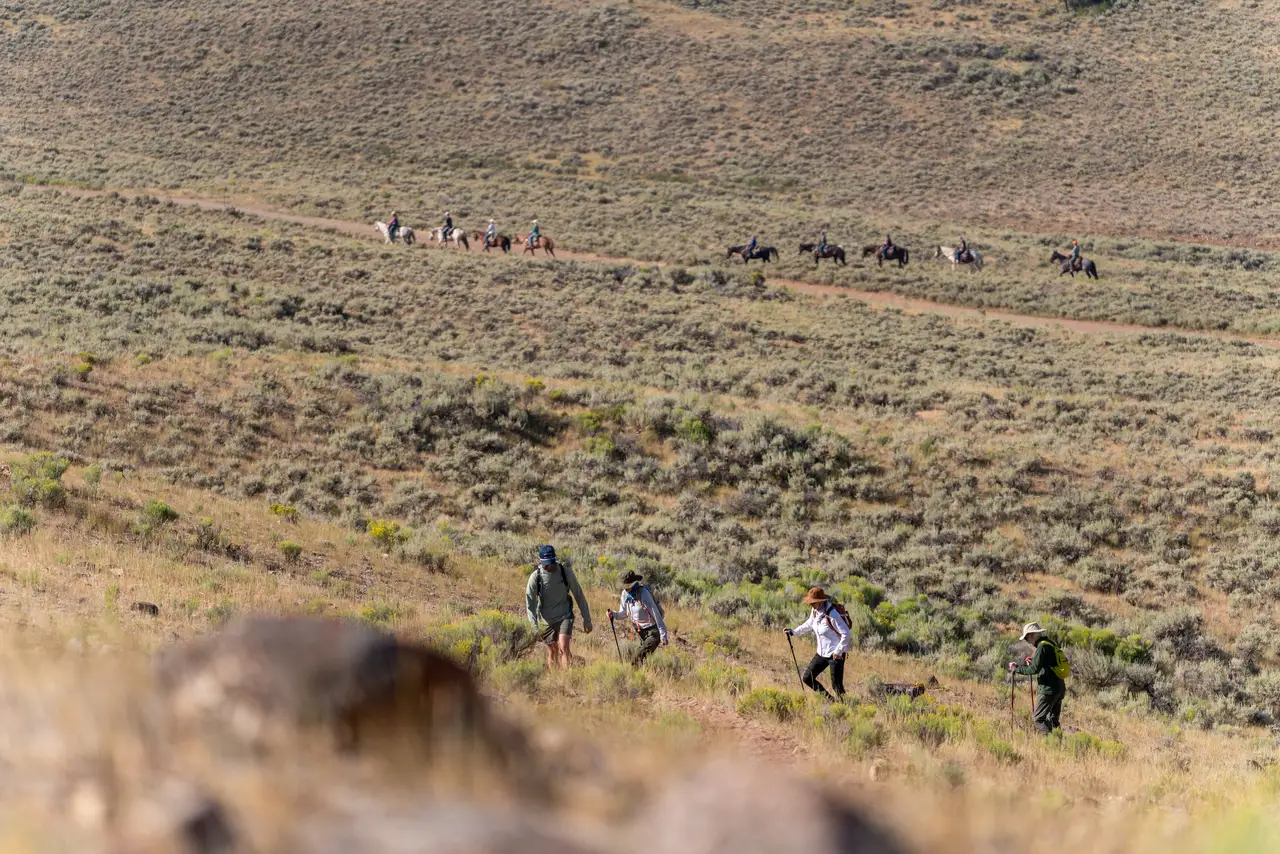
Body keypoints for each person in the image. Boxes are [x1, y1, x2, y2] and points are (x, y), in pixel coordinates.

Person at [525, 545, 592, 669]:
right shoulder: (536, 577)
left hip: (564, 615)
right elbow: (530, 605)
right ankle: (555, 680)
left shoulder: (565, 572)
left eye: (551, 563)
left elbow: (579, 595)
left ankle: (567, 680)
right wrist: (534, 627)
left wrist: (587, 619)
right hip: (546, 620)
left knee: (563, 646)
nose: (549, 566)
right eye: (546, 564)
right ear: (539, 561)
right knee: (552, 650)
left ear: (555, 559)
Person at [785, 587, 850, 701]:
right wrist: (794, 632)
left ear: (820, 601)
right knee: (807, 678)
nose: (811, 605)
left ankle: (848, 708)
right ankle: (831, 701)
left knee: (837, 687)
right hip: (821, 653)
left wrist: (838, 651)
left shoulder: (832, 614)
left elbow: (846, 633)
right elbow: (809, 624)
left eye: (813, 602)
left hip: (836, 655)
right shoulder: (815, 611)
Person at [1009, 621, 1068, 735]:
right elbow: (1044, 664)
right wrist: (1033, 662)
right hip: (1059, 688)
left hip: (1048, 690)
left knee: (1039, 719)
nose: (1027, 641)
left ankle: (1050, 744)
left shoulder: (1042, 647)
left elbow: (1033, 670)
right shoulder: (1050, 644)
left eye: (1027, 638)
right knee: (1053, 720)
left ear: (1033, 635)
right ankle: (1059, 745)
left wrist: (1016, 669)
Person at [608, 570, 668, 665]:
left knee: (636, 660)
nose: (625, 589)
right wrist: (613, 614)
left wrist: (663, 635)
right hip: (641, 633)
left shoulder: (643, 593)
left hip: (653, 632)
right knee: (640, 661)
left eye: (627, 586)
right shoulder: (625, 594)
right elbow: (624, 613)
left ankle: (629, 676)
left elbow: (656, 614)